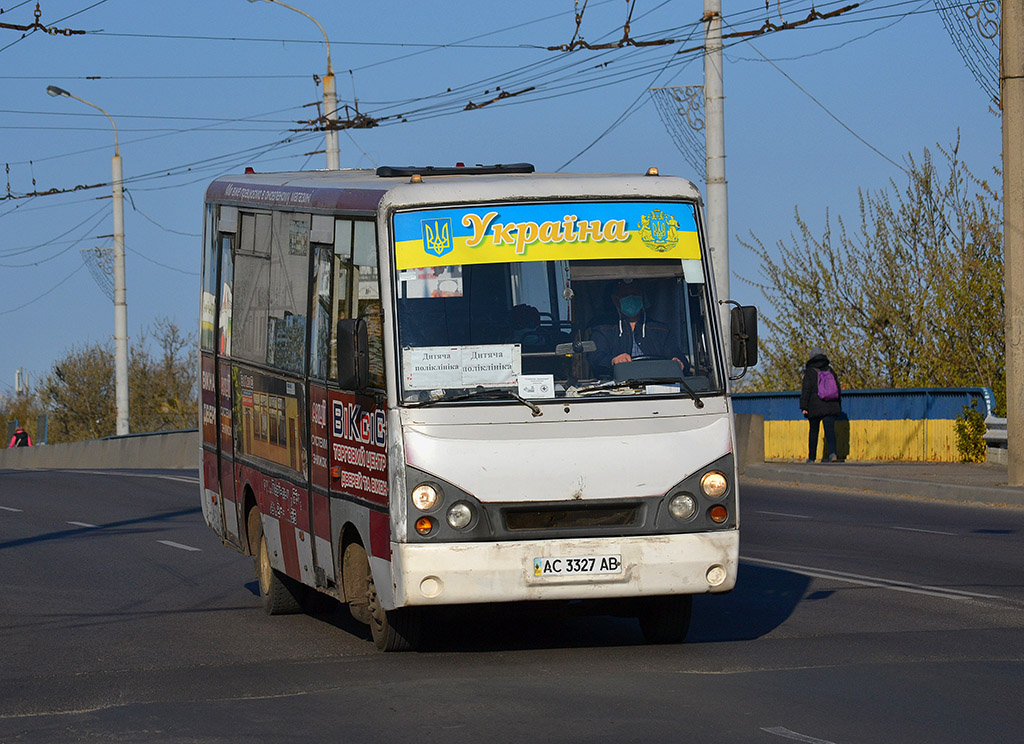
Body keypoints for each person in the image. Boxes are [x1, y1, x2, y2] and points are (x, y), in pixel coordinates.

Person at [589, 279, 691, 378]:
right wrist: (613, 361)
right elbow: (596, 359)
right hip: (619, 390)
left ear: (642, 297)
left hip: (658, 388)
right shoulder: (602, 330)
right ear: (615, 300)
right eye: (625, 295)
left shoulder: (662, 331)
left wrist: (678, 361)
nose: (631, 299)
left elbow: (679, 358)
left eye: (635, 294)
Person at [800, 347, 842, 462]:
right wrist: (838, 405)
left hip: (815, 406)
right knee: (830, 430)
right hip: (830, 405)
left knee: (814, 431)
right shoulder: (830, 370)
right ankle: (833, 454)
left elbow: (806, 390)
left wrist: (804, 406)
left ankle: (812, 458)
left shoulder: (810, 371)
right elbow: (837, 389)